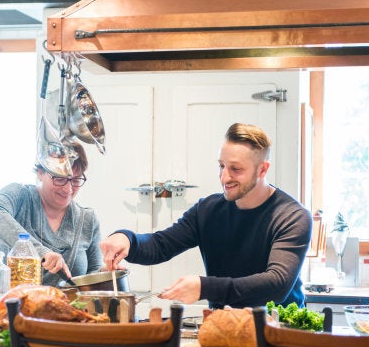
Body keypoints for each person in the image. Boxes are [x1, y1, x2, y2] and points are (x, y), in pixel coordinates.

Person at [100, 123, 312, 308]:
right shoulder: (208, 210)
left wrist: (204, 287)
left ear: (262, 170)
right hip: (225, 324)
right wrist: (127, 239)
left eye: (236, 169)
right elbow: (160, 245)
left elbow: (277, 284)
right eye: (221, 166)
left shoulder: (292, 217)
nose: (224, 177)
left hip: (279, 328)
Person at [0, 141, 102, 286]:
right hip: (9, 307)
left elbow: (93, 276)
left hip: (66, 308)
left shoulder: (87, 220)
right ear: (40, 172)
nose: (68, 189)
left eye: (76, 180)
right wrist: (41, 252)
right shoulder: (20, 197)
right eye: (60, 178)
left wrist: (107, 274)